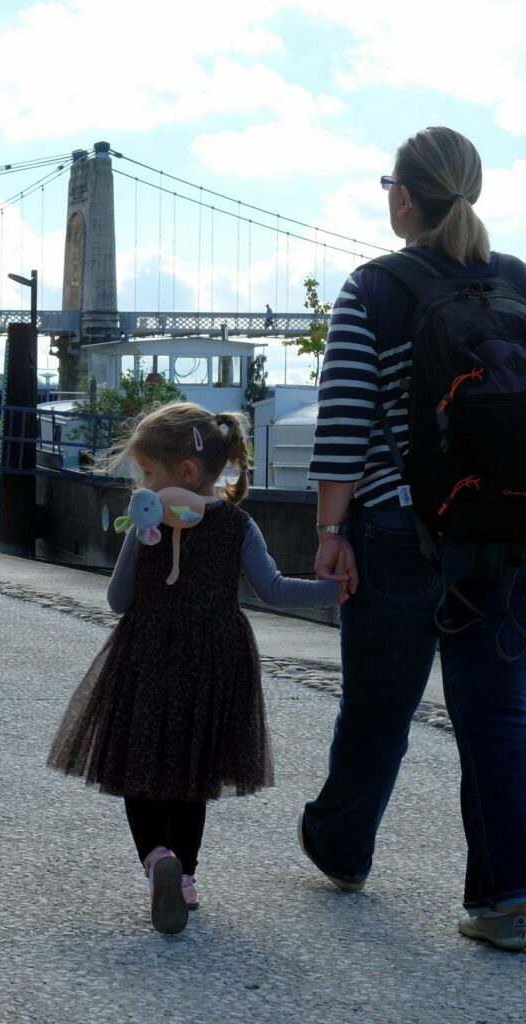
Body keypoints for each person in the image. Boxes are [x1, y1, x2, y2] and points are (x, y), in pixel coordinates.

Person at [300, 126, 526, 951]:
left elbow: (345, 418)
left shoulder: (374, 286)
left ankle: (343, 848)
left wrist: (332, 529)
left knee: (379, 704)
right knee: (498, 713)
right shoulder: (521, 282)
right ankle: (507, 899)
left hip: (399, 526)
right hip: (506, 531)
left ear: (402, 197)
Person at [48, 401, 345, 934]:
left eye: (147, 472)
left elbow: (118, 600)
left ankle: (157, 859)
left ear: (183, 473)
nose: (142, 483)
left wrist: (138, 541)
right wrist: (335, 591)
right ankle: (184, 878)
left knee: (136, 767)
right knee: (195, 772)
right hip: (215, 661)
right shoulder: (238, 525)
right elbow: (273, 590)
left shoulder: (145, 521)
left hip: (146, 656)